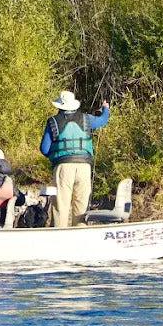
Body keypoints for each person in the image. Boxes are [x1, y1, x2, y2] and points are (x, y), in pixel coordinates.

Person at [40, 90, 110, 227]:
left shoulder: (52, 122)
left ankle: (59, 236)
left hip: (63, 167)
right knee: (81, 206)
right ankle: (80, 235)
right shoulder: (86, 119)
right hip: (84, 167)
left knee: (61, 205)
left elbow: (44, 149)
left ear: (59, 106)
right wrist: (105, 109)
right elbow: (102, 120)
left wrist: (55, 156)